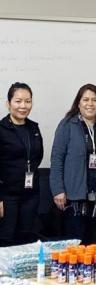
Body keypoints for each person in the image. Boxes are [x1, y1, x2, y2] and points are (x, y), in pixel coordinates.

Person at [50, 83, 96, 245]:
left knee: (90, 243)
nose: (90, 104)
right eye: (86, 99)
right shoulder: (67, 125)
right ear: (78, 103)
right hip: (73, 197)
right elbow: (56, 159)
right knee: (75, 245)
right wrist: (58, 190)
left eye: (94, 100)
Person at [0, 82, 43, 246]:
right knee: (6, 240)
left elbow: (37, 157)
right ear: (8, 103)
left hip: (30, 195)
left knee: (26, 241)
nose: (23, 106)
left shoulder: (34, 128)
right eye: (18, 101)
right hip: (7, 197)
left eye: (28, 101)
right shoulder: (2, 129)